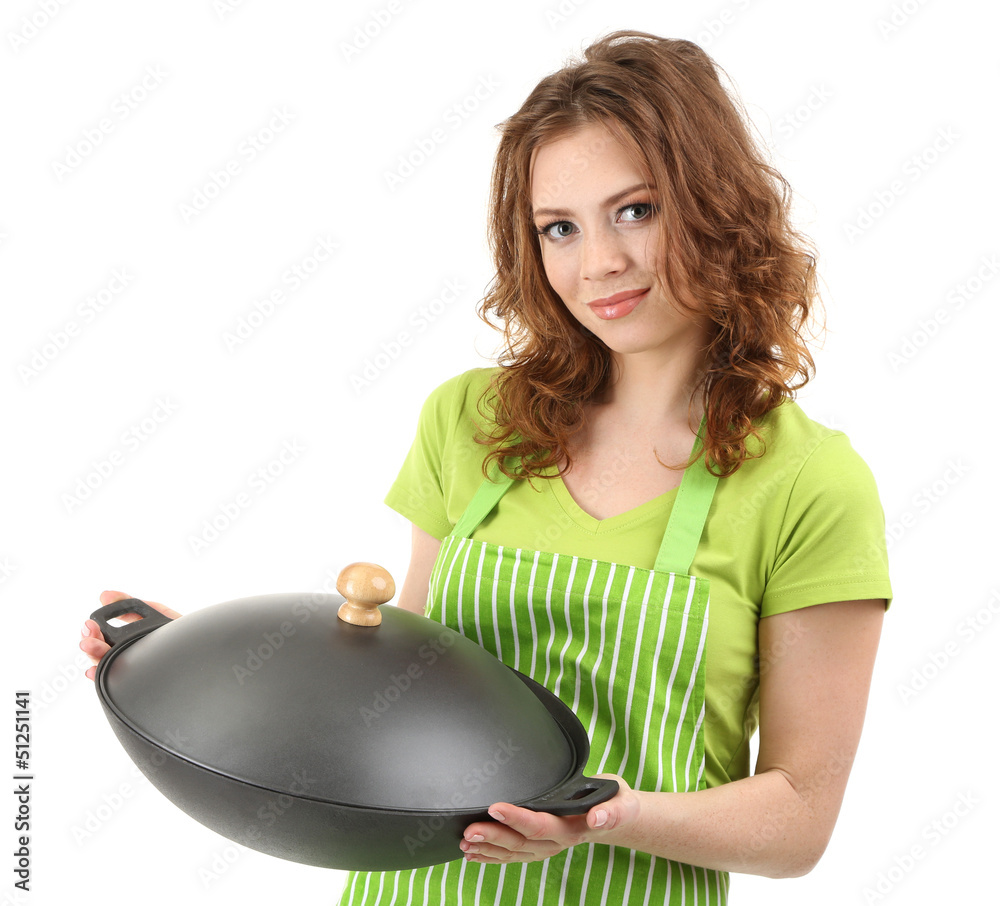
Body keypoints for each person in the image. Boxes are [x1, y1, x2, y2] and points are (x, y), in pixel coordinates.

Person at [81, 29, 892, 905]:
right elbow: (403, 684)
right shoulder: (474, 421)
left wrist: (601, 815)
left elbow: (801, 819)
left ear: (715, 205)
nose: (599, 264)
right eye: (559, 228)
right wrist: (212, 662)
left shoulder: (811, 483)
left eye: (637, 210)